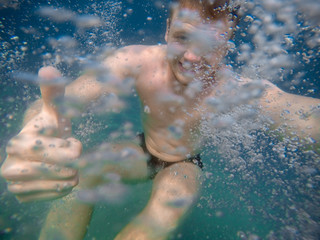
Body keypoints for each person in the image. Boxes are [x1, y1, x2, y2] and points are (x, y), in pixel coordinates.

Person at [1, 0, 320, 239]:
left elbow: (297, 113)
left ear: (226, 46)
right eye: (182, 38)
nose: (192, 57)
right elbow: (62, 102)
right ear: (167, 31)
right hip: (143, 149)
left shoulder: (235, 90)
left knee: (162, 214)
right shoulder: (136, 60)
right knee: (83, 173)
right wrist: (37, 131)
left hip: (185, 163)